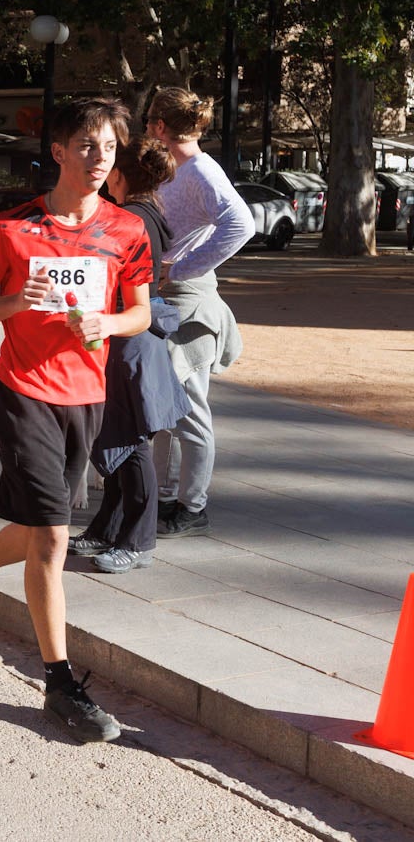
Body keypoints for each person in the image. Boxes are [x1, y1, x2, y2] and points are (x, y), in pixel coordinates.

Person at [0, 98, 153, 744]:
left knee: (42, 527)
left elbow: (141, 311)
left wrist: (108, 322)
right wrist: (15, 298)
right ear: (59, 151)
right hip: (23, 391)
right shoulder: (14, 227)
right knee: (54, 537)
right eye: (87, 145)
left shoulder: (127, 230)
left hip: (86, 397)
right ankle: (60, 680)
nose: (99, 158)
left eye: (110, 148)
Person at [69, 138, 190, 573]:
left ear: (120, 175)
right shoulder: (148, 213)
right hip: (128, 335)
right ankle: (108, 527)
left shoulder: (131, 218)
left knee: (129, 439)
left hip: (127, 336)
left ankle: (138, 541)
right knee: (117, 435)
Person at [148, 88, 254, 539]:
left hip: (189, 301)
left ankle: (193, 506)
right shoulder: (179, 168)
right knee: (165, 410)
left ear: (158, 127)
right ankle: (166, 498)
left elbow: (241, 224)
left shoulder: (200, 169)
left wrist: (183, 266)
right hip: (171, 298)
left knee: (188, 410)